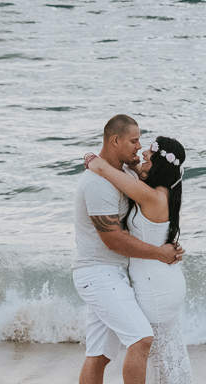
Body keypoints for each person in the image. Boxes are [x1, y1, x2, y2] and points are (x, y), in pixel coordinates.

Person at [74, 114, 185, 384]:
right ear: (115, 140)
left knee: (99, 354)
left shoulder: (122, 174)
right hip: (99, 274)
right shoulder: (98, 184)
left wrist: (134, 167)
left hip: (115, 273)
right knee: (141, 338)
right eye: (134, 141)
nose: (138, 147)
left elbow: (143, 192)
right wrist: (160, 252)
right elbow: (113, 240)